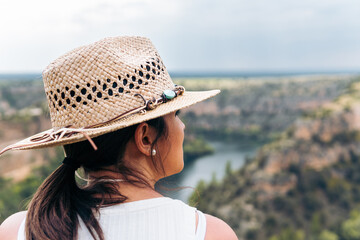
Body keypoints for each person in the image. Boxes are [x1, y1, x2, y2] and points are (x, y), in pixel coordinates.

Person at [0, 36, 238, 240]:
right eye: (175, 114)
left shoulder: (20, 230)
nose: (183, 126)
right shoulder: (207, 233)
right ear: (145, 138)